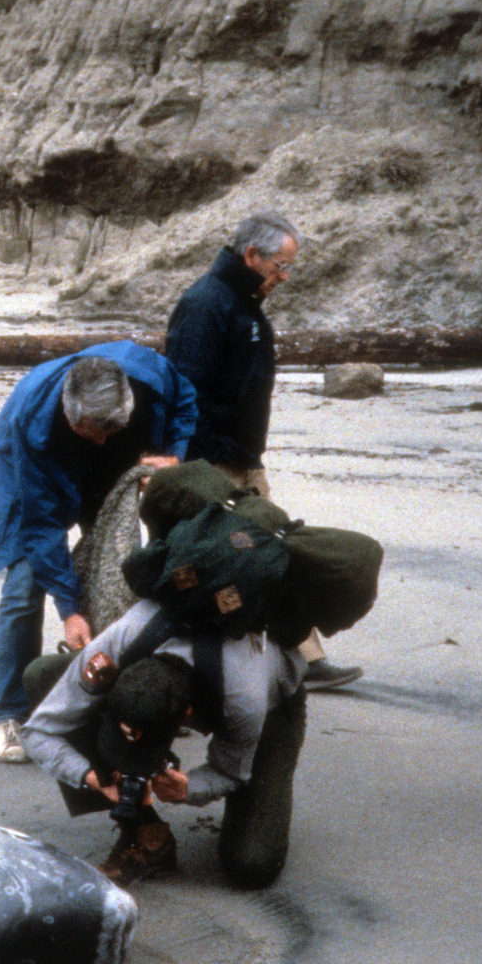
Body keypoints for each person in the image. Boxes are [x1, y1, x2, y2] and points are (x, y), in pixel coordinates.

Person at [166, 209, 364, 691]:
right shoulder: (206, 304)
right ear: (251, 255)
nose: (284, 276)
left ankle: (304, 654)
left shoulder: (244, 304)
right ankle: (184, 662)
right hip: (213, 463)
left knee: (276, 552)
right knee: (232, 561)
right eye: (279, 265)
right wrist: (201, 466)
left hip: (243, 459)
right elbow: (186, 391)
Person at [0, 341, 197, 763]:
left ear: (128, 405)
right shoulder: (32, 417)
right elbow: (41, 525)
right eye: (89, 430)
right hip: (32, 472)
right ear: (68, 409)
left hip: (113, 475)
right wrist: (68, 610)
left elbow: (185, 400)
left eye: (108, 430)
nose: (98, 440)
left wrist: (172, 454)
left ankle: (120, 695)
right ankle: (8, 712)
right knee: (24, 588)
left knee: (122, 574)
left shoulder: (149, 376)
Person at [19, 598, 308, 889]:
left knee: (252, 866)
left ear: (187, 717)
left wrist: (188, 788)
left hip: (273, 708)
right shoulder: (121, 644)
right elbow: (37, 732)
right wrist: (89, 775)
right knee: (43, 674)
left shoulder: (245, 700)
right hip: (191, 677)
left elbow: (231, 771)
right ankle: (146, 832)